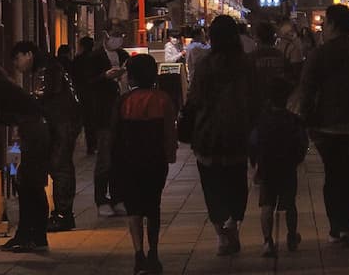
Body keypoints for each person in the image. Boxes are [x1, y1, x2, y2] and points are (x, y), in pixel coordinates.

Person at [299, 3, 349, 248]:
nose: (322, 29)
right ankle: (347, 226)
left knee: (333, 176)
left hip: (327, 127)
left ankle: (337, 227)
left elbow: (307, 89)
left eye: (325, 24)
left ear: (333, 25)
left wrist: (307, 119)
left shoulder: (320, 54)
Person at [183, 14, 257, 256]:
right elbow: (254, 98)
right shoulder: (245, 64)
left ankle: (221, 234)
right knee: (236, 180)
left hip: (207, 134)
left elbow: (193, 100)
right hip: (237, 133)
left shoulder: (205, 65)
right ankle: (232, 223)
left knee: (211, 184)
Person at [0, 59, 51, 255]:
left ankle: (30, 236)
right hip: (25, 134)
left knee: (27, 183)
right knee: (24, 182)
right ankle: (31, 235)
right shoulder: (2, 84)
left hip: (29, 135)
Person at [110, 54, 177, 275]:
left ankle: (138, 254)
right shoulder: (163, 99)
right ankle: (154, 253)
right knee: (153, 207)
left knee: (134, 209)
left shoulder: (123, 101)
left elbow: (115, 137)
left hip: (129, 162)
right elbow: (169, 132)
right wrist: (170, 155)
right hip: (155, 161)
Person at [11, 40, 82, 232]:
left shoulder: (48, 67)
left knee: (60, 166)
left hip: (63, 122)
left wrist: (23, 103)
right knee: (59, 166)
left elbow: (44, 94)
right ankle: (61, 213)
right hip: (64, 121)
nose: (17, 66)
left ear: (28, 55)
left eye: (17, 59)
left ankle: (63, 215)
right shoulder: (49, 65)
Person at [249, 76, 308, 257]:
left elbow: (253, 142)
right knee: (290, 204)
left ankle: (267, 241)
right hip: (288, 167)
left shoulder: (261, 121)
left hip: (267, 167)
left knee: (267, 204)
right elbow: (302, 143)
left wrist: (255, 162)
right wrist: (297, 159)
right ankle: (291, 236)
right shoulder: (294, 120)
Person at [87, 21, 130, 216]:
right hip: (104, 114)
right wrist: (105, 76)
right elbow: (87, 83)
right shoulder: (95, 58)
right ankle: (101, 200)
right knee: (104, 159)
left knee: (120, 158)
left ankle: (118, 197)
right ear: (106, 34)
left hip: (123, 111)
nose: (118, 38)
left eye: (121, 34)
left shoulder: (124, 56)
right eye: (115, 34)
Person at [252, 20, 286, 112]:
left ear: (258, 38)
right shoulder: (280, 55)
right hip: (278, 101)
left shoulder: (252, 57)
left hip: (257, 102)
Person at [72, 36, 97, 154]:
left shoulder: (78, 60)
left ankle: (90, 145)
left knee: (86, 119)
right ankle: (95, 144)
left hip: (82, 92)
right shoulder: (97, 58)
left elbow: (74, 76)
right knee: (94, 118)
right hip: (95, 92)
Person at [276, 20, 304, 87]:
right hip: (289, 84)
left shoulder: (277, 46)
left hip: (278, 83)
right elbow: (297, 69)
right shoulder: (293, 48)